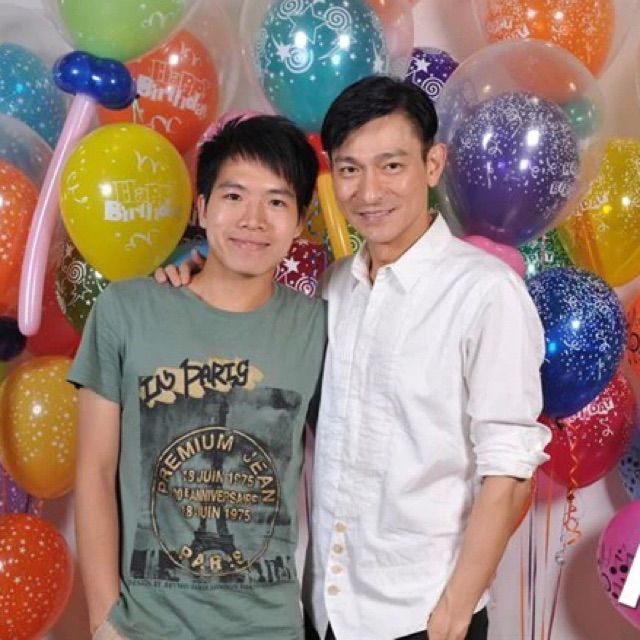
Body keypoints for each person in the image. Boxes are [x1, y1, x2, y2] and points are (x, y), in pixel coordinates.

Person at [160, 76, 551, 640]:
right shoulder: (335, 287)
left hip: (420, 615)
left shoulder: (485, 292)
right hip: (325, 610)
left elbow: (509, 471)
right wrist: (197, 279)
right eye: (349, 169)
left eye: (391, 166)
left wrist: (455, 610)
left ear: (432, 164)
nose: (369, 192)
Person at [69, 115, 325, 640]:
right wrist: (103, 620)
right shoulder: (126, 310)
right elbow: (94, 469)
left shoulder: (319, 327)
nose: (253, 219)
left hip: (268, 628)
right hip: (145, 628)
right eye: (234, 196)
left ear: (301, 221)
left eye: (277, 202)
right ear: (203, 208)